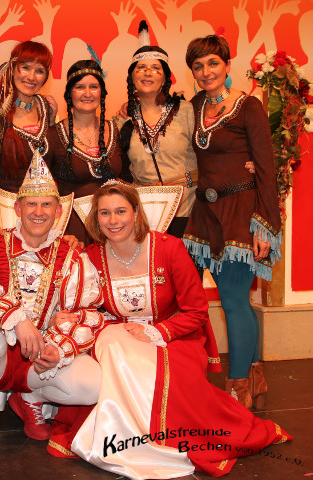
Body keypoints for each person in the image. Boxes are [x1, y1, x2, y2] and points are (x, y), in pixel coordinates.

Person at [50, 181, 291, 478]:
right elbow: (86, 305)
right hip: (120, 339)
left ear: (136, 213)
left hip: (173, 337)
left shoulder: (169, 248)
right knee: (112, 344)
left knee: (162, 376)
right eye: (105, 213)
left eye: (121, 211)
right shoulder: (91, 257)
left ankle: (148, 439)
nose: (113, 220)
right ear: (95, 218)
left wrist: (156, 333)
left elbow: (197, 311)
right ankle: (126, 435)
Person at [0, 154, 103, 465]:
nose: (38, 212)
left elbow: (86, 311)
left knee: (93, 383)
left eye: (46, 205)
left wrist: (58, 347)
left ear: (59, 212)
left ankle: (31, 397)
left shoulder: (72, 257)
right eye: (31, 204)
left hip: (36, 360)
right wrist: (16, 318)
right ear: (17, 209)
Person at [183, 35, 282, 408]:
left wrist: (264, 225)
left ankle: (239, 386)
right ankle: (255, 375)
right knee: (192, 298)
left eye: (213, 63)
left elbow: (266, 169)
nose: (206, 71)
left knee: (234, 301)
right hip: (203, 215)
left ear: (226, 64)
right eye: (198, 65)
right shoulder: (193, 107)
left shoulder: (248, 107)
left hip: (241, 212)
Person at [0, 40, 57, 243]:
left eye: (39, 71)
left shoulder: (47, 108)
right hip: (7, 211)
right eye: (25, 68)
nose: (31, 77)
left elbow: (56, 167)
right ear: (12, 68)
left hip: (44, 216)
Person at [119, 26, 197, 238]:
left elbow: (211, 151)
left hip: (186, 209)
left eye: (155, 68)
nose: (147, 72)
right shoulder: (124, 120)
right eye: (141, 68)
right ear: (132, 77)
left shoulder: (187, 111)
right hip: (145, 213)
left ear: (165, 78)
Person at [49, 59, 131, 242]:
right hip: (72, 232)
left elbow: (127, 178)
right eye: (80, 87)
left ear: (102, 92)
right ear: (69, 93)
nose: (87, 93)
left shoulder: (115, 130)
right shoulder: (54, 135)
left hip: (112, 228)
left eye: (93, 87)